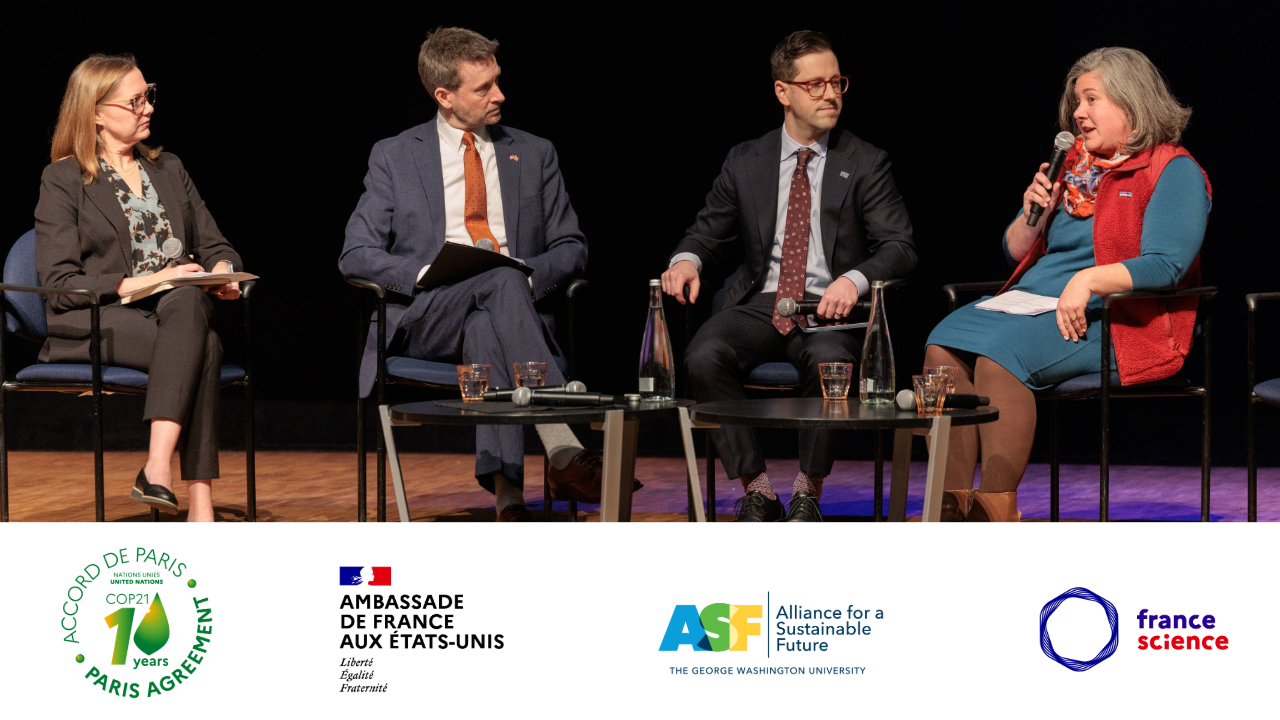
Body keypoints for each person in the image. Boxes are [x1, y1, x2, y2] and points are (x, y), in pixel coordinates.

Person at [923, 47, 1211, 521]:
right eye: (1077, 101)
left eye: (1091, 99)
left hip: (1118, 315)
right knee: (942, 346)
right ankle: (949, 507)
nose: (1078, 113)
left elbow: (1167, 265)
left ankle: (994, 513)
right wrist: (1036, 213)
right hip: (1033, 301)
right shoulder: (1072, 168)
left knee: (999, 359)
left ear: (1131, 104)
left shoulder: (1171, 169)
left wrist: (1087, 280)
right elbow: (1015, 250)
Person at [340, 27, 606, 522]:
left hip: (511, 315)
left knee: (496, 301)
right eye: (483, 88)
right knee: (498, 280)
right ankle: (564, 446)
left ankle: (508, 499)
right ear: (444, 96)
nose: (500, 95)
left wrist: (525, 280)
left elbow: (572, 246)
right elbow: (355, 254)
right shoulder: (395, 156)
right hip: (428, 315)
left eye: (498, 82)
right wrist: (423, 271)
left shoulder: (534, 152)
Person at [662, 30, 917, 522]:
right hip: (762, 303)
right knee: (704, 354)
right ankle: (757, 488)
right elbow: (707, 232)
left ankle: (806, 491)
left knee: (830, 366)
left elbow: (900, 248)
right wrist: (686, 260)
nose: (831, 94)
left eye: (837, 82)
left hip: (829, 309)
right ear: (783, 92)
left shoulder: (864, 162)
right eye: (815, 84)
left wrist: (855, 279)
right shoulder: (746, 160)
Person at [35, 54, 243, 522]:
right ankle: (197, 501)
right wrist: (156, 279)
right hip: (96, 317)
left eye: (148, 94)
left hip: (173, 313)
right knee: (204, 347)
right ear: (94, 112)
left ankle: (159, 471)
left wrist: (224, 270)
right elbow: (60, 284)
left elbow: (214, 244)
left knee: (191, 306)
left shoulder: (168, 168)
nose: (147, 107)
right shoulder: (64, 179)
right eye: (134, 100)